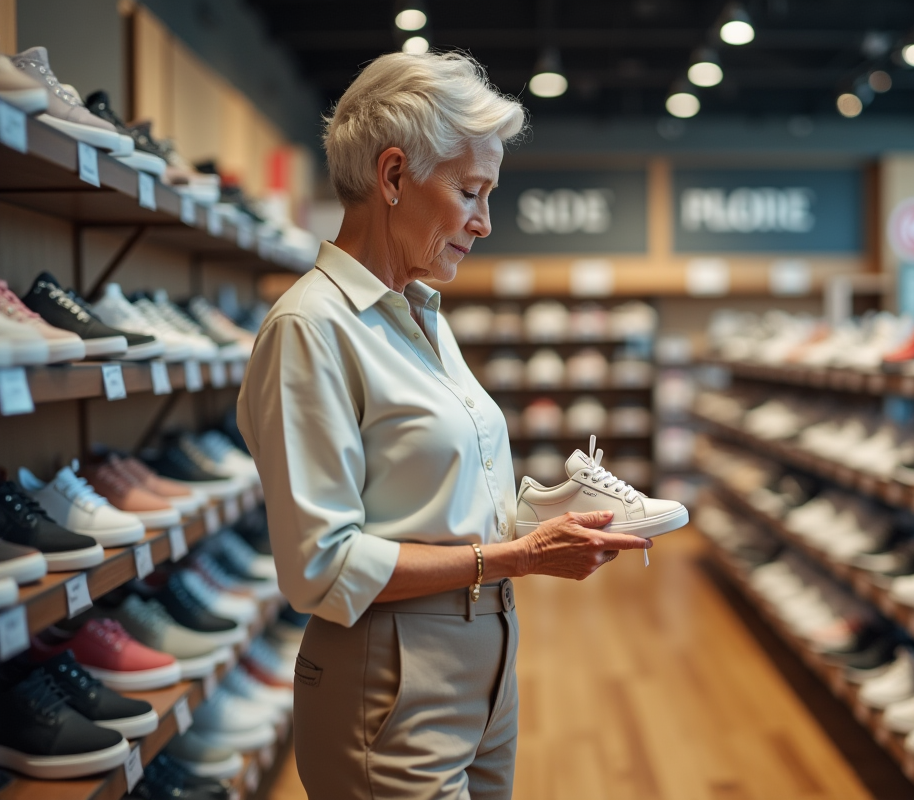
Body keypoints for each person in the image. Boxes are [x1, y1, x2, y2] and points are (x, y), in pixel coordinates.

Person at [236, 51, 652, 800]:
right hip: (391, 679)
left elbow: (426, 497)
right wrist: (517, 557)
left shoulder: (421, 314)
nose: (485, 223)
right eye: (470, 191)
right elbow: (321, 566)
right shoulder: (311, 328)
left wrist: (544, 517)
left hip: (486, 664)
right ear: (393, 177)